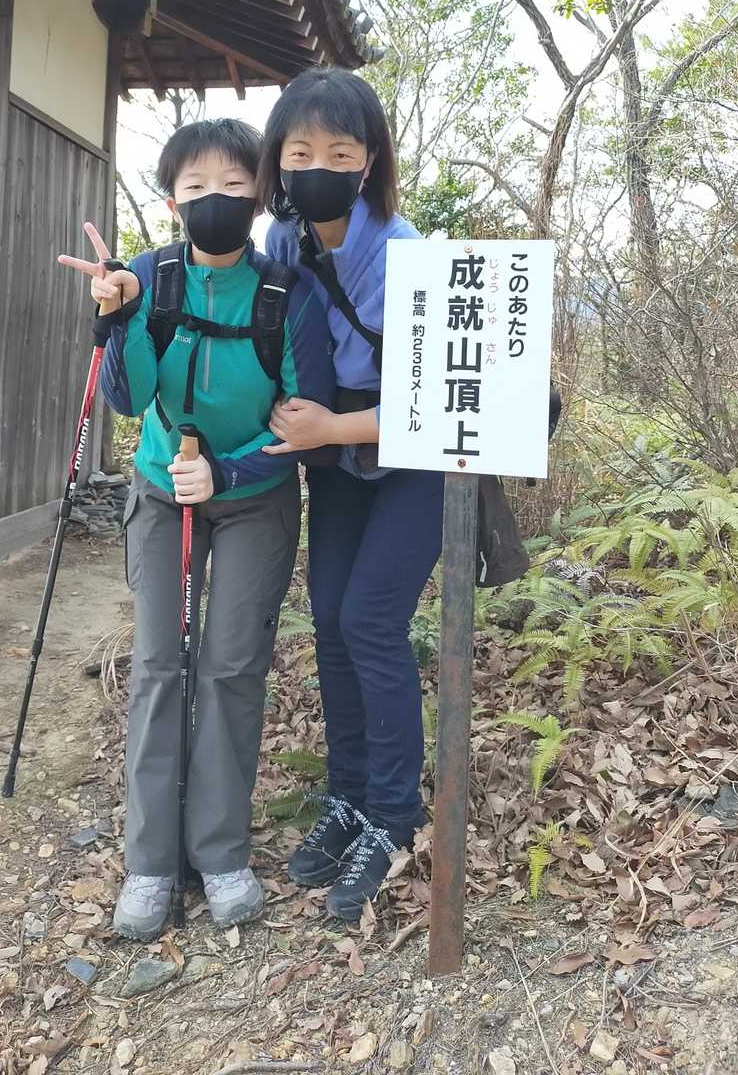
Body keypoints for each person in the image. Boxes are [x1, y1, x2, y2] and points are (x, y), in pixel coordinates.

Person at [58, 117, 333, 941]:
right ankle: (149, 862)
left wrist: (230, 470)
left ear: (260, 196)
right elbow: (127, 398)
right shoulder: (147, 276)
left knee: (231, 666)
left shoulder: (288, 292)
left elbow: (304, 418)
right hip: (160, 489)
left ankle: (220, 852)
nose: (217, 198)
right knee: (157, 666)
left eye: (235, 184)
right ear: (172, 200)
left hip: (254, 495)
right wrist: (118, 316)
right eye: (196, 186)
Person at [255, 67, 445, 922]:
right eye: (300, 152)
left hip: (411, 455)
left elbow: (437, 400)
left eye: (340, 151)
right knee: (329, 618)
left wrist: (332, 427)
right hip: (336, 459)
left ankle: (394, 816)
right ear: (278, 161)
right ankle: (349, 795)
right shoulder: (282, 240)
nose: (319, 167)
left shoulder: (406, 252)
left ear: (369, 161)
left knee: (370, 619)